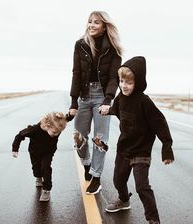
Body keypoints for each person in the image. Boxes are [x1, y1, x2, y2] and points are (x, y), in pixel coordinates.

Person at [100, 56, 174, 224]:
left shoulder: (144, 102)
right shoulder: (121, 97)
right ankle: (124, 200)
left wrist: (167, 146)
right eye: (121, 81)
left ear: (138, 82)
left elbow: (159, 123)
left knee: (142, 187)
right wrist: (108, 110)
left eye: (129, 83)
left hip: (141, 151)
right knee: (118, 180)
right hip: (124, 149)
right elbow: (118, 110)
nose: (124, 86)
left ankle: (153, 219)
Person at [69, 11, 122, 194]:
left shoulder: (113, 48)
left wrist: (108, 100)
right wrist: (73, 101)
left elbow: (114, 78)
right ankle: (86, 164)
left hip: (102, 96)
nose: (91, 25)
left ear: (104, 26)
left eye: (96, 22)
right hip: (83, 96)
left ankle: (96, 177)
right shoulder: (80, 44)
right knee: (78, 137)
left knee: (100, 140)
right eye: (89, 22)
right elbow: (76, 73)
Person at [12, 112, 74, 202]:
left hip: (48, 152)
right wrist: (15, 149)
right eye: (54, 132)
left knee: (46, 167)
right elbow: (19, 135)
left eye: (59, 132)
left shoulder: (57, 126)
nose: (56, 134)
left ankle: (46, 189)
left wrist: (71, 114)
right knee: (36, 168)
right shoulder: (34, 130)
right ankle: (38, 177)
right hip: (34, 152)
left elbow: (66, 119)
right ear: (47, 126)